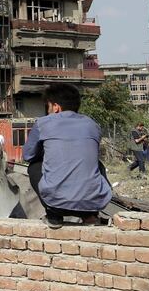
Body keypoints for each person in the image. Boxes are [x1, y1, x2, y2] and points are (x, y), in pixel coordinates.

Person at [23, 84, 112, 229]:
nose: (48, 111)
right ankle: (90, 216)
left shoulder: (43, 123)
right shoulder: (92, 125)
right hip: (92, 204)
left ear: (56, 107)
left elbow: (28, 155)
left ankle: (53, 216)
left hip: (56, 204)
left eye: (48, 107)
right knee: (97, 164)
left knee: (34, 166)